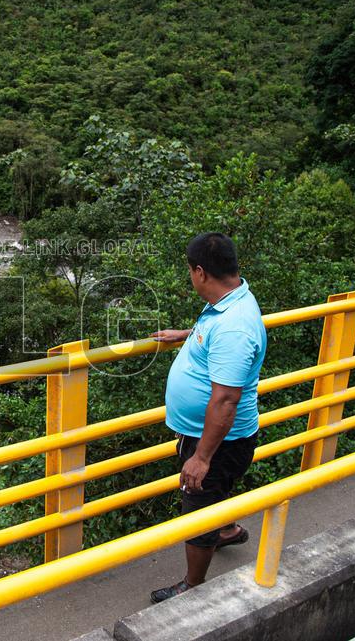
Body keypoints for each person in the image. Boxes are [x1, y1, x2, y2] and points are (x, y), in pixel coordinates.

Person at [148, 232, 267, 603]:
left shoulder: (233, 325)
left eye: (189, 271)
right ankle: (229, 529)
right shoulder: (230, 301)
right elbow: (217, 339)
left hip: (216, 441)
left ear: (200, 272)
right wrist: (187, 334)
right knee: (216, 489)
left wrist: (201, 456)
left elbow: (227, 400)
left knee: (197, 502)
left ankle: (192, 586)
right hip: (214, 437)